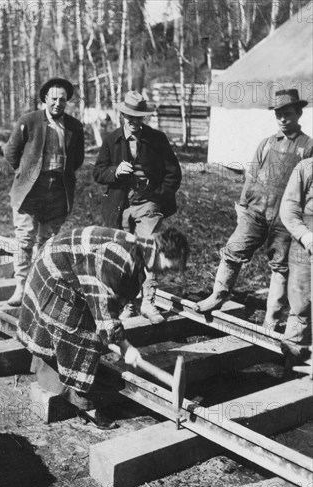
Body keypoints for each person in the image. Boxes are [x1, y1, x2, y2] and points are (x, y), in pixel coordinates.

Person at [17, 225, 189, 429]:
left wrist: (119, 341)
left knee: (90, 330)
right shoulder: (122, 258)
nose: (166, 273)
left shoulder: (139, 252)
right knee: (80, 334)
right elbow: (104, 309)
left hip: (69, 270)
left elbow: (111, 300)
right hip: (55, 273)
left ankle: (52, 368)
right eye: (169, 267)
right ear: (160, 251)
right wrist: (125, 346)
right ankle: (83, 403)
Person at [196, 89, 313, 330]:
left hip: (285, 219)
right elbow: (251, 176)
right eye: (278, 114)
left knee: (280, 267)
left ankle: (271, 319)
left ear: (299, 113)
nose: (282, 118)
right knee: (233, 249)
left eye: (287, 113)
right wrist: (242, 205)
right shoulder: (267, 143)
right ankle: (218, 294)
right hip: (255, 212)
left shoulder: (308, 147)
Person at [93, 90, 182, 324]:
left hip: (148, 205)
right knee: (125, 255)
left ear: (144, 118)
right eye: (130, 117)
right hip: (120, 206)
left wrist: (158, 196)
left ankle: (149, 303)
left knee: (149, 248)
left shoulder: (157, 139)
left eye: (139, 117)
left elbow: (174, 173)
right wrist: (115, 171)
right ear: (123, 115)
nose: (134, 122)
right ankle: (128, 304)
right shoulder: (111, 140)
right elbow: (98, 172)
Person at [4, 77, 85, 307]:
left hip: (58, 190)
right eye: (54, 99)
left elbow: (77, 159)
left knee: (48, 242)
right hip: (30, 190)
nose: (58, 103)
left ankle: (38, 286)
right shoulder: (29, 121)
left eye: (63, 99)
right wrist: (24, 173)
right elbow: (11, 152)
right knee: (24, 239)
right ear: (45, 99)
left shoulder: (74, 127)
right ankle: (20, 286)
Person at [279, 158, 312, 374]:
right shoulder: (305, 168)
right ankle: (292, 365)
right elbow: (288, 209)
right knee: (301, 305)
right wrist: (307, 237)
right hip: (305, 242)